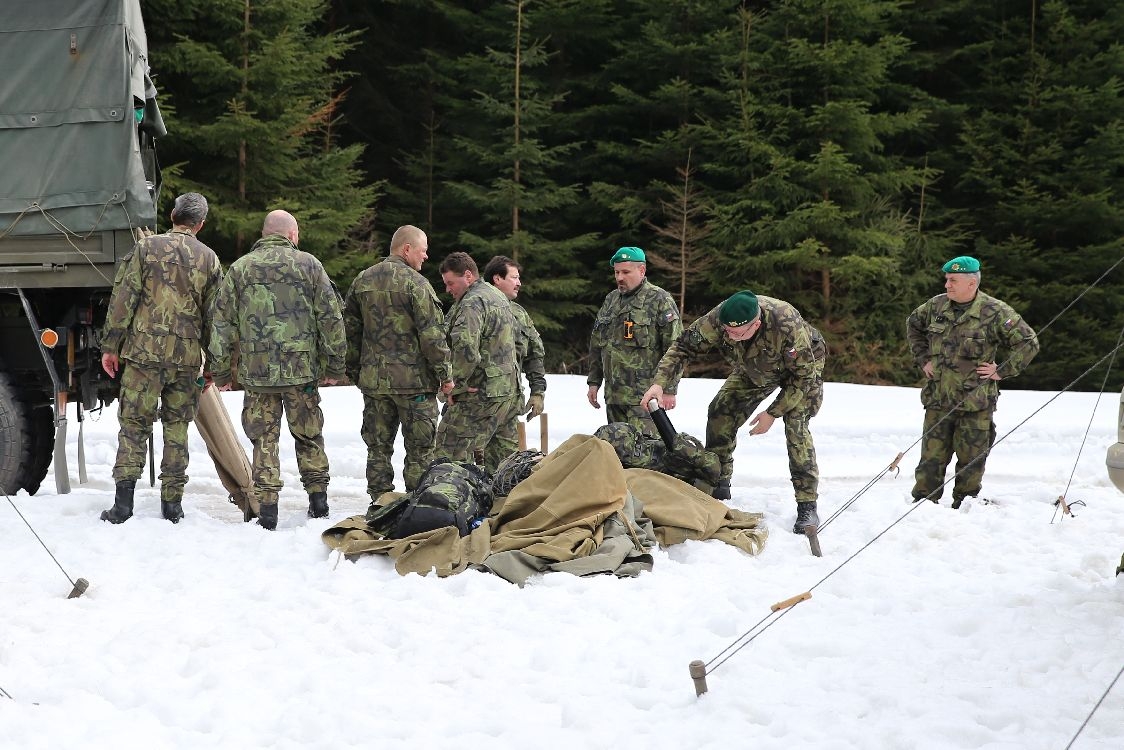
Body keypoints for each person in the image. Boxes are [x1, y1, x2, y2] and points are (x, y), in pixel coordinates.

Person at [641, 290, 827, 534]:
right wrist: (659, 383)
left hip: (802, 369)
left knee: (796, 425)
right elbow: (683, 346)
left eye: (737, 333)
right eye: (727, 331)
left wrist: (772, 412)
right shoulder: (719, 319)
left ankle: (807, 505)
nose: (730, 336)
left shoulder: (785, 322)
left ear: (756, 324)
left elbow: (803, 377)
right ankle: (719, 483)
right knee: (721, 411)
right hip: (754, 368)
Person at [208, 210, 347, 530]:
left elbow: (222, 324)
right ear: (292, 235)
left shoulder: (241, 268)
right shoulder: (310, 265)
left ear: (264, 233)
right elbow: (331, 318)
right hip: (302, 371)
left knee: (263, 440)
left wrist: (221, 372)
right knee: (310, 435)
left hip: (258, 372)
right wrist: (335, 365)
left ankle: (268, 511)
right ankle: (318, 503)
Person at [99, 192, 223, 524]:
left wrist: (111, 345)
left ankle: (123, 504)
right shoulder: (209, 259)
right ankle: (173, 505)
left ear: (171, 215)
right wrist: (214, 364)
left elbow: (123, 297)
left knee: (133, 426)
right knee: (177, 427)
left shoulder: (146, 248)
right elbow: (216, 318)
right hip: (184, 358)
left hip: (142, 354)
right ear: (200, 224)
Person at [907, 255, 1039, 508]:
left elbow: (1028, 342)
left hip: (975, 402)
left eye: (953, 280)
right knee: (930, 460)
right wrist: (924, 359)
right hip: (939, 399)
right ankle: (923, 505)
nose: (947, 285)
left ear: (971, 283)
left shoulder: (995, 312)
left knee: (971, 460)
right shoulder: (935, 307)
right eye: (946, 280)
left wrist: (1001, 370)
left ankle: (966, 507)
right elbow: (913, 325)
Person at [343, 225, 454, 503]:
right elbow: (432, 337)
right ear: (407, 249)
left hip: (375, 384)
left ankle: (379, 504)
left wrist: (357, 373)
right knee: (420, 450)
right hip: (413, 385)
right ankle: (416, 507)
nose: (425, 257)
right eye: (423, 250)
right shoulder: (417, 285)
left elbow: (349, 332)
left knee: (378, 449)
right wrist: (445, 375)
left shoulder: (362, 281)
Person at [434, 251, 520, 470]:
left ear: (468, 275)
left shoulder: (472, 303)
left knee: (448, 452)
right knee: (502, 462)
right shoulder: (497, 296)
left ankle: (451, 501)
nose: (448, 290)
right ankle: (503, 502)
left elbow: (466, 350)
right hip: (506, 390)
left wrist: (455, 387)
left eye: (451, 283)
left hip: (481, 392)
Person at [587, 246, 681, 436]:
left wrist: (669, 388)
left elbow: (675, 348)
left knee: (645, 453)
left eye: (626, 272)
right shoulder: (611, 300)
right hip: (614, 396)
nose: (620, 277)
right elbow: (598, 343)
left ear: (642, 270)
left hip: (644, 398)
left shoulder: (659, 300)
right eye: (617, 272)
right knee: (619, 452)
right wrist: (594, 381)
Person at [481, 255, 547, 423]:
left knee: (511, 451)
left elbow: (534, 354)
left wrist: (537, 392)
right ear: (497, 278)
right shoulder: (474, 307)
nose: (519, 283)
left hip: (509, 409)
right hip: (477, 407)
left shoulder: (519, 314)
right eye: (514, 278)